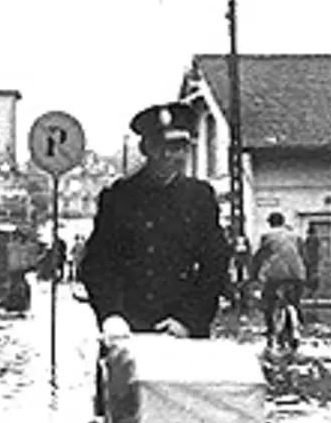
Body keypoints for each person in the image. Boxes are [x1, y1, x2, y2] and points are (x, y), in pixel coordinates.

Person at [79, 101, 230, 341]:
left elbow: (215, 264)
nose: (170, 156)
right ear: (146, 148)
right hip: (127, 331)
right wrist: (111, 315)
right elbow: (97, 264)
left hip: (183, 332)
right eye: (161, 147)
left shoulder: (199, 197)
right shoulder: (118, 197)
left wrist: (189, 320)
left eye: (178, 147)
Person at [251, 211, 306, 348]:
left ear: (270, 223)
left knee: (268, 301)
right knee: (295, 300)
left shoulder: (267, 236)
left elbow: (259, 257)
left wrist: (254, 275)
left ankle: (270, 329)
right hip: (297, 273)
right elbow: (304, 255)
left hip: (276, 272)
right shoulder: (295, 236)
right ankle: (299, 322)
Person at [303, 221, 321, 296]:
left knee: (311, 275)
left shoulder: (311, 239)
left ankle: (311, 292)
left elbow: (308, 250)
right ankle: (312, 292)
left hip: (311, 261)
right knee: (312, 275)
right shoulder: (314, 239)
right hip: (313, 260)